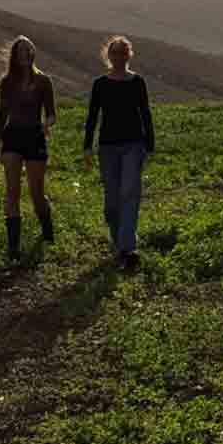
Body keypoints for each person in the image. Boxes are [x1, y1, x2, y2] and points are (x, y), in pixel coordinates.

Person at [83, 35, 154, 271]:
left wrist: (149, 144)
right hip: (108, 147)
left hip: (134, 144)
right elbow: (93, 116)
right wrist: (87, 146)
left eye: (123, 53)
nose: (119, 57)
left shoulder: (137, 82)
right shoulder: (100, 84)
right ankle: (120, 245)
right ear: (108, 56)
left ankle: (127, 249)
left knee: (129, 194)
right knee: (112, 201)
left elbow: (145, 113)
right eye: (115, 53)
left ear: (129, 55)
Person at [0, 35, 56, 262]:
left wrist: (48, 124)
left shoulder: (44, 81)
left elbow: (51, 112)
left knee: (36, 193)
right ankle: (13, 247)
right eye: (21, 51)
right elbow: (1, 116)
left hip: (35, 136)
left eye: (28, 50)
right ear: (15, 56)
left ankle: (48, 232)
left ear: (33, 53)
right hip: (12, 138)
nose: (25, 55)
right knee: (12, 191)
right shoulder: (6, 83)